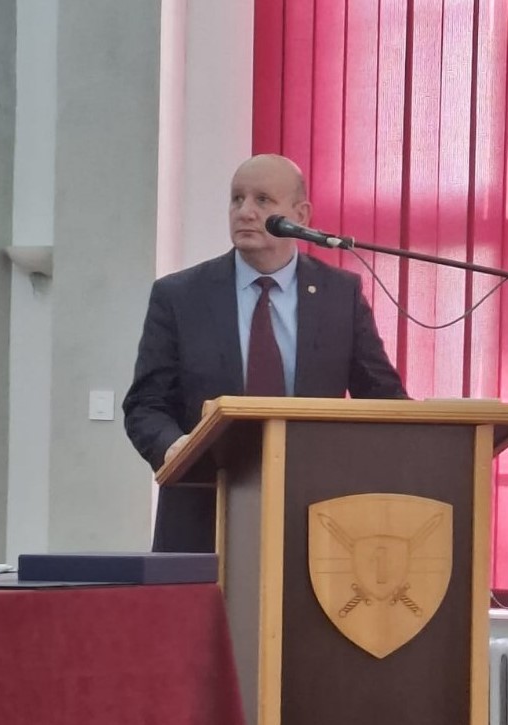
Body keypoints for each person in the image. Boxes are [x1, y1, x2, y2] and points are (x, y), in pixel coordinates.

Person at [123, 153, 407, 552]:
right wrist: (176, 448)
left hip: (315, 517)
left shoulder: (339, 295)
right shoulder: (180, 296)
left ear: (301, 214)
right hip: (203, 513)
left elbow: (383, 399)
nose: (245, 212)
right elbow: (145, 405)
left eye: (262, 200)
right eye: (237, 199)